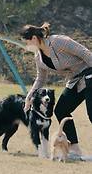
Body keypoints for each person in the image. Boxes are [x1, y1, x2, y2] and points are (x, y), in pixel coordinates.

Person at [21, 23, 92, 160]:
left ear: (34, 38)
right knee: (60, 110)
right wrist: (29, 96)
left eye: (27, 42)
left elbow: (85, 53)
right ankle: (75, 148)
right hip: (75, 81)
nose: (26, 45)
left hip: (90, 73)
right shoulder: (38, 57)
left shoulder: (59, 41)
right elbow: (40, 79)